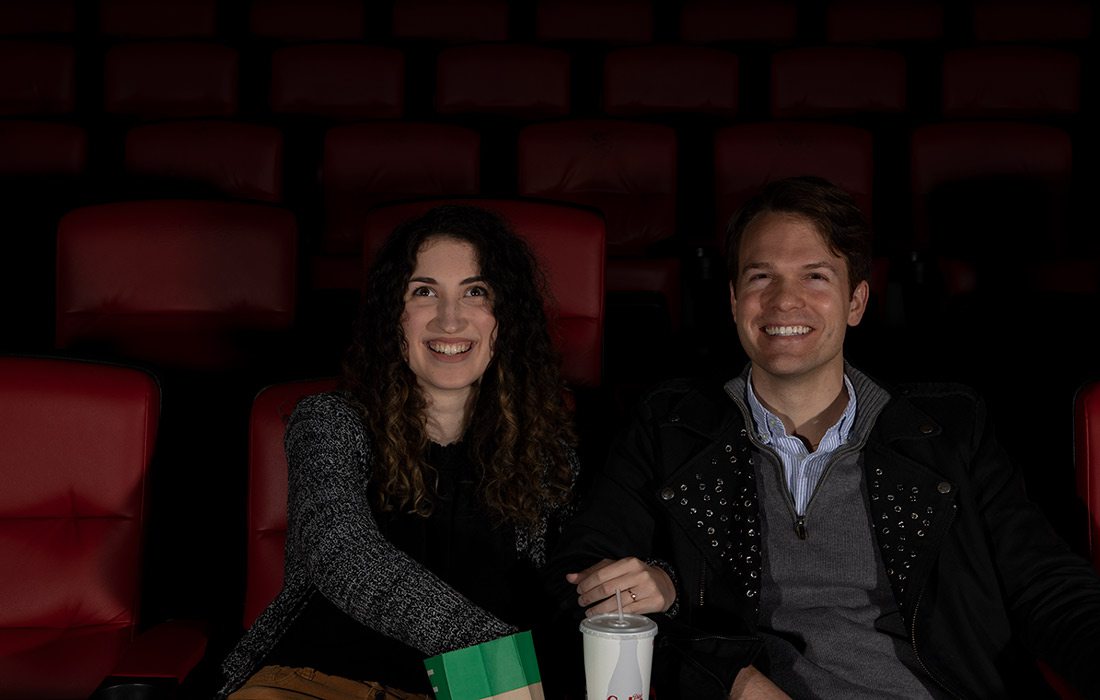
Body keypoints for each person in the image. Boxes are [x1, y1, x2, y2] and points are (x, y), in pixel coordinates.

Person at [547, 176, 1100, 699]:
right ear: (734, 300)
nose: (785, 301)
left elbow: (1045, 584)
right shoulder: (671, 428)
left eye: (815, 276)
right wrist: (727, 682)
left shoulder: (948, 430)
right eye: (762, 277)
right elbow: (582, 583)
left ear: (856, 302)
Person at [218, 204, 579, 699]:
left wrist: (657, 583)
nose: (450, 319)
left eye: (476, 292)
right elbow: (339, 554)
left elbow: (573, 576)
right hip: (318, 679)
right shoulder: (329, 422)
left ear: (505, 318)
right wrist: (489, 655)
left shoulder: (546, 442)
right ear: (395, 315)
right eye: (424, 292)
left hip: (466, 690)